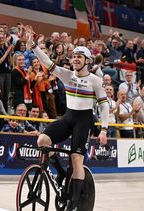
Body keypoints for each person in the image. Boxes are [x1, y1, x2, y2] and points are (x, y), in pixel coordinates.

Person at [26, 27, 109, 211]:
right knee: (43, 140)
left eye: (80, 57)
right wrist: (33, 47)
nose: (75, 59)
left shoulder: (95, 80)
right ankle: (62, 173)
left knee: (77, 159)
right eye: (74, 56)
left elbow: (104, 105)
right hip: (68, 117)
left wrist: (104, 129)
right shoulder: (66, 75)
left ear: (87, 61)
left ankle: (73, 202)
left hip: (85, 120)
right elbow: (47, 63)